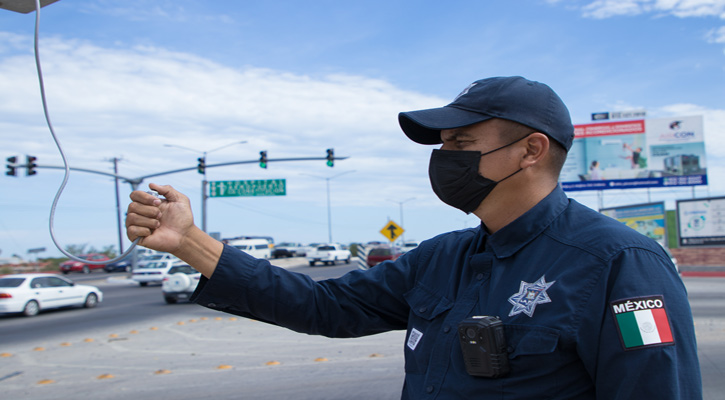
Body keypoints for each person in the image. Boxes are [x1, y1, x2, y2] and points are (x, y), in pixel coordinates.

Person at [126, 76, 701, 399]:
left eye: (459, 143)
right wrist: (189, 242)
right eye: (440, 144)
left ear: (530, 150)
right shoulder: (442, 258)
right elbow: (325, 306)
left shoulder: (619, 263)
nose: (441, 158)